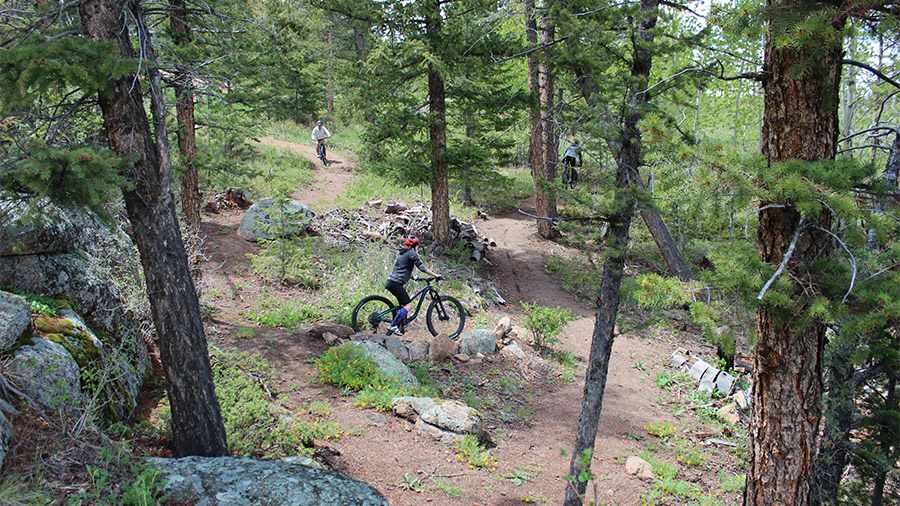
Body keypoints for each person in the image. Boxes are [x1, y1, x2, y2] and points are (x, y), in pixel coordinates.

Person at [384, 236, 440, 335]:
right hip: (396, 283)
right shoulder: (412, 253)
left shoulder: (402, 253)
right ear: (415, 246)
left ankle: (401, 326)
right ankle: (393, 325)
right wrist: (435, 275)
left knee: (403, 305)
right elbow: (421, 267)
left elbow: (402, 269)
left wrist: (415, 277)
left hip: (391, 282)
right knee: (408, 305)